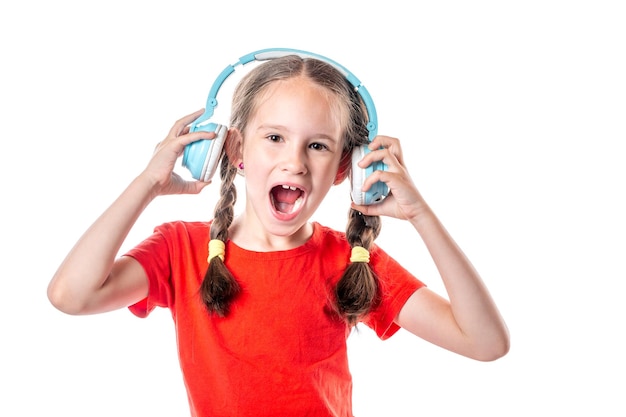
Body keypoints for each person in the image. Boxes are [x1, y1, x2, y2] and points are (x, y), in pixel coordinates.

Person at [47, 53, 509, 417]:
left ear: (344, 168)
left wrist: (422, 215)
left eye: (318, 145)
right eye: (274, 138)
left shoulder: (350, 260)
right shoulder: (180, 250)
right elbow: (71, 295)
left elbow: (485, 342)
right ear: (235, 148)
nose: (295, 162)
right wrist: (147, 184)